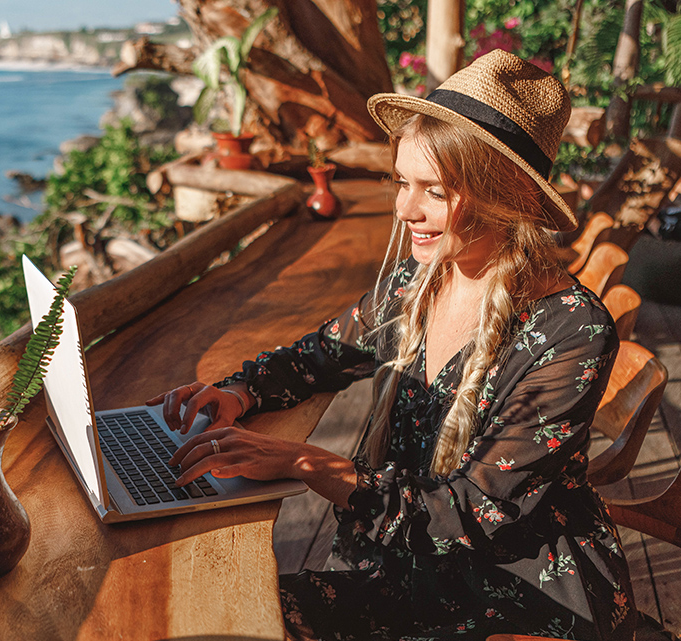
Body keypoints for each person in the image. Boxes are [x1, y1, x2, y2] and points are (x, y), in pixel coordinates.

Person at [147, 50, 635, 641]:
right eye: (402, 182)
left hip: (520, 590)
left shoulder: (572, 332)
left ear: (504, 193)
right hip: (413, 558)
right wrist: (239, 391)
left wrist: (305, 461)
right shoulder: (419, 281)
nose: (405, 209)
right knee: (225, 614)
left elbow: (477, 514)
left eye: (434, 190)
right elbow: (324, 353)